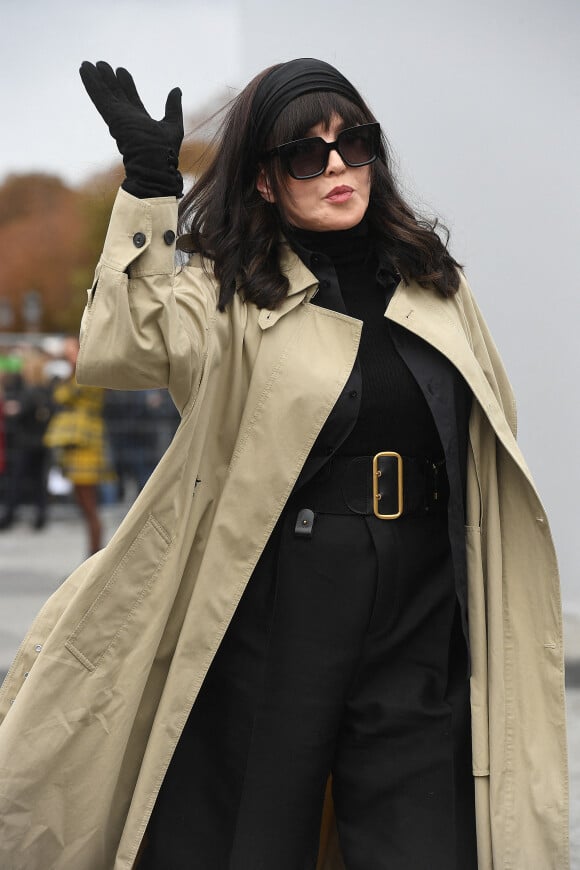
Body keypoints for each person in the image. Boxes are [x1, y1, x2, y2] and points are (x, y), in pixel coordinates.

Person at [0, 58, 568, 870]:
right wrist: (149, 189)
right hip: (286, 591)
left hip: (422, 590)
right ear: (265, 181)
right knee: (253, 829)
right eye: (307, 154)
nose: (337, 166)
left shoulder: (434, 284)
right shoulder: (232, 291)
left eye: (355, 144)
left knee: (425, 831)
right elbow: (123, 347)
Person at [43, 337, 109, 554]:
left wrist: (74, 365)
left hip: (86, 443)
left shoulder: (89, 373)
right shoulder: (73, 374)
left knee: (89, 506)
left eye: (71, 349)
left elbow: (70, 394)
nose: (67, 354)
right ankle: (91, 557)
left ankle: (94, 557)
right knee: (84, 505)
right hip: (76, 445)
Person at [0, 350, 54, 531]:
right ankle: (40, 516)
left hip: (27, 442)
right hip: (43, 441)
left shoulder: (29, 391)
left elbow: (19, 411)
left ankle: (9, 516)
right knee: (39, 481)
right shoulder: (47, 389)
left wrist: (11, 408)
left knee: (18, 479)